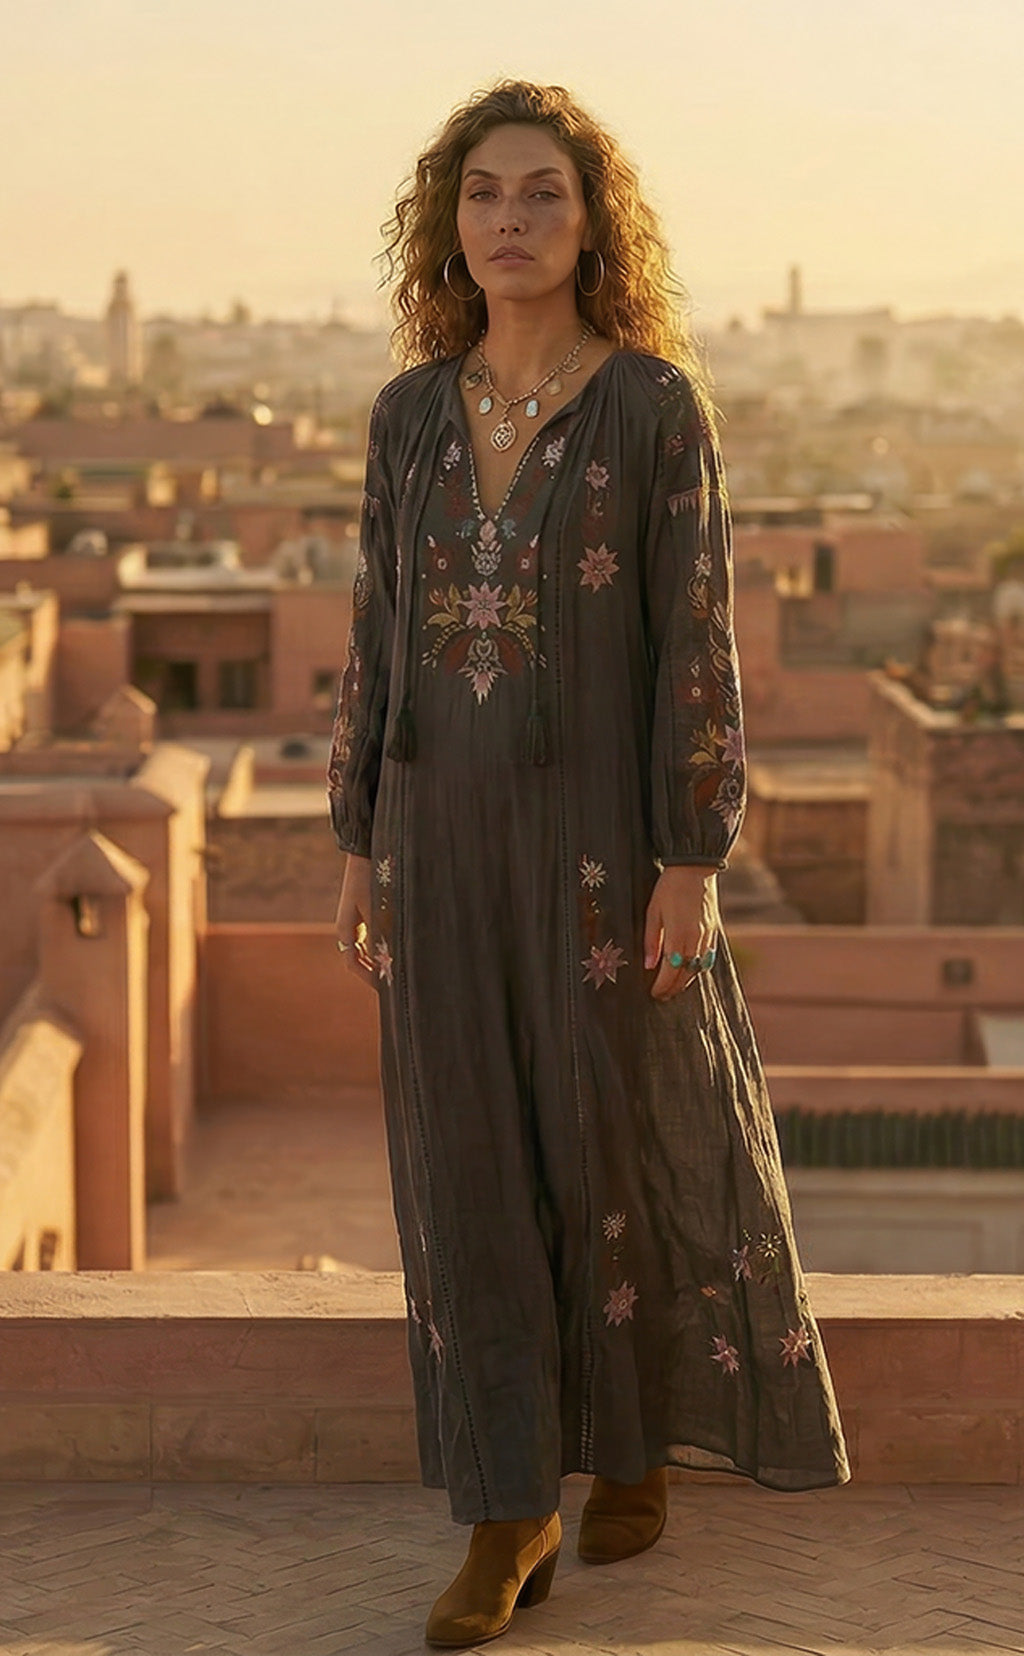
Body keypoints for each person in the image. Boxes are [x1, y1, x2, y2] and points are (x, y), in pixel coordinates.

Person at [328, 79, 850, 1649]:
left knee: (608, 1140)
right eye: (484, 192)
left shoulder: (651, 409)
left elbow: (696, 641)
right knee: (467, 1162)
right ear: (449, 223)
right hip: (440, 842)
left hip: (603, 856)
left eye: (543, 191)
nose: (512, 219)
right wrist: (356, 840)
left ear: (593, 219)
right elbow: (375, 634)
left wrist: (694, 854)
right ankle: (507, 1515)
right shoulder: (410, 417)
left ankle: (630, 1446)